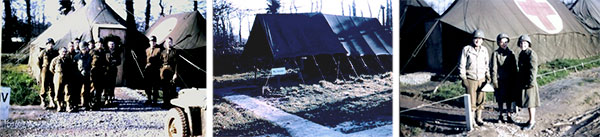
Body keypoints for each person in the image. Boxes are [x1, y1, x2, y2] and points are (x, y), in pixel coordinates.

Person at [458, 30, 491, 127]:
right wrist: (463, 78)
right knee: (471, 101)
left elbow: (486, 64)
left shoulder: (484, 50)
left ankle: (479, 118)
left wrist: (487, 75)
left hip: (482, 78)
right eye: (476, 38)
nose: (478, 41)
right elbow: (461, 65)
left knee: (481, 100)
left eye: (480, 39)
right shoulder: (467, 49)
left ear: (482, 40)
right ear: (473, 39)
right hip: (471, 79)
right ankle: (471, 120)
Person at [490, 33, 518, 123]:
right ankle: (501, 115)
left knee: (509, 98)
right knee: (500, 98)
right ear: (498, 43)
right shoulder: (495, 54)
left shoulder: (511, 53)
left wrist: (515, 79)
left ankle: (509, 115)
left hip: (510, 79)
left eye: (506, 42)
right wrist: (494, 80)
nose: (504, 44)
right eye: (502, 42)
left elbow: (514, 67)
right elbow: (493, 68)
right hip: (500, 80)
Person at [517, 34, 540, 130]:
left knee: (531, 103)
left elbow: (533, 69)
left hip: (530, 82)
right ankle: (530, 120)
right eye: (521, 43)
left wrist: (531, 82)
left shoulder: (531, 54)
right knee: (527, 101)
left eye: (525, 43)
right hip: (524, 81)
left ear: (529, 44)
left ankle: (532, 122)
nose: (523, 45)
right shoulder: (522, 54)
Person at [50, 47, 75, 112]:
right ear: (59, 51)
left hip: (67, 76)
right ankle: (59, 106)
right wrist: (57, 74)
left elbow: (72, 68)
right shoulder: (55, 60)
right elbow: (51, 69)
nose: (64, 53)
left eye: (65, 52)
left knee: (68, 91)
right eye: (62, 51)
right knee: (58, 91)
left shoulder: (68, 59)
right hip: (58, 76)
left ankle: (68, 106)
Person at [38, 38, 57, 110]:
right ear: (46, 45)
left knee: (52, 85)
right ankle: (43, 101)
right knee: (44, 85)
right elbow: (38, 61)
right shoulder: (43, 52)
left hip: (52, 70)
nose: (51, 45)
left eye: (52, 44)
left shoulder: (55, 52)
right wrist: (42, 68)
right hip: (45, 69)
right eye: (49, 44)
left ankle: (51, 100)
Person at [160, 37, 178, 108]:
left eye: (170, 42)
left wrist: (175, 73)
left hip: (171, 70)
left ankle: (171, 104)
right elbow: (160, 61)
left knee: (172, 88)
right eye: (167, 42)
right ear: (165, 43)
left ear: (172, 43)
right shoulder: (163, 52)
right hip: (164, 71)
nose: (169, 43)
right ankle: (165, 103)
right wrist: (161, 70)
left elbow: (177, 64)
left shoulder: (175, 52)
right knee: (164, 88)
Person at [145, 36, 162, 105]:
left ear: (155, 42)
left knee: (155, 86)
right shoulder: (147, 50)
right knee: (148, 86)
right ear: (149, 42)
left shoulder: (159, 50)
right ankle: (149, 99)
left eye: (154, 41)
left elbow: (160, 60)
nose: (152, 43)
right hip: (148, 70)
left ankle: (155, 100)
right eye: (151, 41)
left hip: (155, 70)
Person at [90, 39, 107, 110]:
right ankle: (91, 102)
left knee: (99, 88)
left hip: (101, 72)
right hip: (93, 72)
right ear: (95, 44)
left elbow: (105, 61)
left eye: (101, 43)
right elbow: (89, 61)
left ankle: (98, 102)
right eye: (98, 43)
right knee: (92, 88)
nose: (100, 45)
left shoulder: (103, 52)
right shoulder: (92, 52)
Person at [75, 43, 93, 110]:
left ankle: (86, 104)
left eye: (85, 48)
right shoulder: (77, 57)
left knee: (87, 90)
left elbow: (91, 65)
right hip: (79, 76)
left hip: (87, 75)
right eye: (83, 48)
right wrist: (80, 71)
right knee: (77, 90)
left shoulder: (89, 56)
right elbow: (74, 66)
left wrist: (88, 71)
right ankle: (76, 104)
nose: (84, 50)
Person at [105, 40, 121, 106]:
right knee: (106, 85)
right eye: (110, 44)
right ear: (108, 45)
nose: (111, 45)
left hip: (113, 70)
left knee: (112, 84)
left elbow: (119, 61)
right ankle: (106, 98)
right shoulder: (105, 52)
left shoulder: (116, 53)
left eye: (113, 44)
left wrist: (114, 62)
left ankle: (111, 97)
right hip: (106, 70)